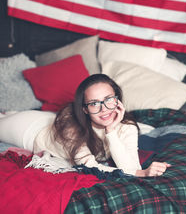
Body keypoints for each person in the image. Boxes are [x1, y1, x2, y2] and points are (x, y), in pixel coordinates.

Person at [0, 74, 171, 177]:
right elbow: (91, 167)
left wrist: (110, 130)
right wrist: (140, 173)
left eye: (109, 100)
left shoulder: (127, 126)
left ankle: (10, 113)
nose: (104, 109)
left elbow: (131, 167)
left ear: (117, 99)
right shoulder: (71, 129)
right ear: (85, 109)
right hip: (31, 130)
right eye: (94, 103)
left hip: (50, 119)